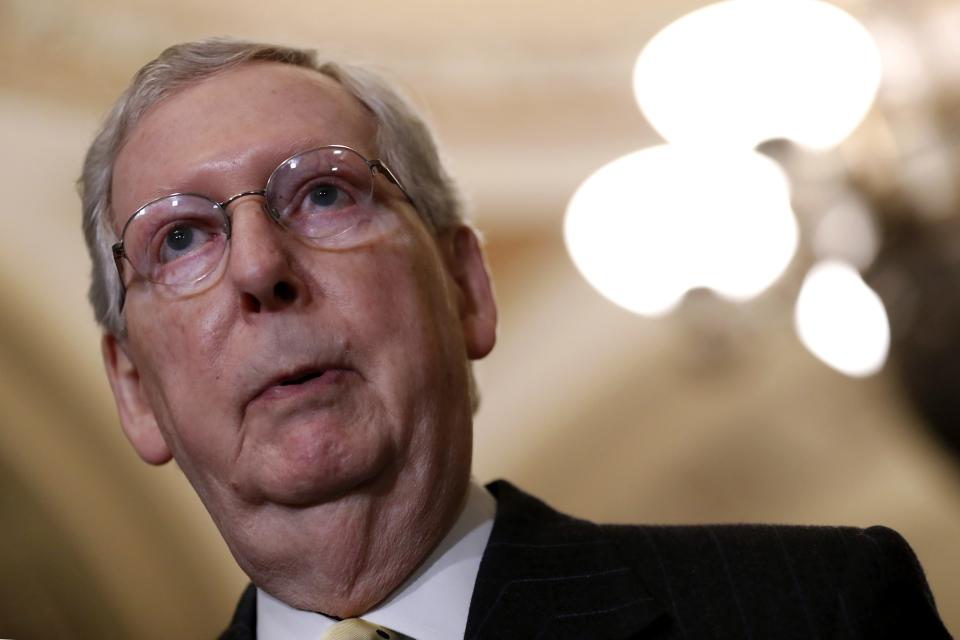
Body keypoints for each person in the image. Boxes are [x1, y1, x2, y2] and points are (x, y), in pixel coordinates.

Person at [79, 38, 951, 639]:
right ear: (134, 392)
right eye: (182, 238)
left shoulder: (815, 610)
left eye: (324, 193)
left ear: (466, 288)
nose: (259, 266)